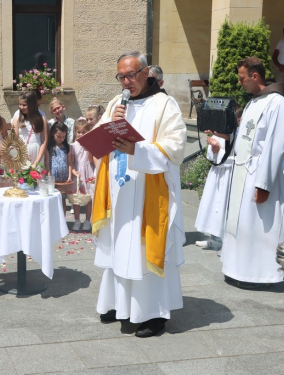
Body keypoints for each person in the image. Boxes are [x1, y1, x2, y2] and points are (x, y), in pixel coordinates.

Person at [93, 51, 186, 337]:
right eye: (121, 76)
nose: (126, 81)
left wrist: (138, 150)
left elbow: (176, 148)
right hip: (119, 192)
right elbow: (98, 140)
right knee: (120, 245)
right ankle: (118, 305)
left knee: (143, 249)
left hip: (148, 192)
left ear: (146, 73)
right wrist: (108, 124)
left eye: (131, 75)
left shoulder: (164, 104)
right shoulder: (116, 103)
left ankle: (153, 315)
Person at [221, 56, 284, 289]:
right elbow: (243, 139)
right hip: (242, 172)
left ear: (255, 76)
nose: (240, 83)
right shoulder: (253, 102)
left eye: (242, 78)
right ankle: (238, 268)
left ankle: (262, 274)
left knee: (260, 223)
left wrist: (264, 184)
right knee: (241, 223)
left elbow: (275, 145)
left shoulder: (277, 103)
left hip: (260, 172)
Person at [195, 105, 243, 253]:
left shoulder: (239, 134)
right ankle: (215, 238)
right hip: (217, 173)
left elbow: (237, 155)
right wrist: (214, 149)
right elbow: (211, 155)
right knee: (213, 204)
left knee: (224, 206)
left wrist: (220, 150)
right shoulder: (219, 132)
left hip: (230, 174)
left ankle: (226, 240)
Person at [13, 90, 49, 167]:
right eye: (20, 104)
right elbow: (14, 141)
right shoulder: (17, 119)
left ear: (31, 105)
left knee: (36, 176)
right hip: (21, 153)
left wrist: (37, 161)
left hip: (37, 152)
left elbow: (44, 141)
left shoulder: (41, 119)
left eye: (24, 105)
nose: (21, 107)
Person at [70, 118, 95, 231]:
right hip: (78, 173)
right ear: (75, 132)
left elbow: (90, 160)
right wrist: (74, 171)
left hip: (88, 171)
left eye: (83, 132)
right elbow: (71, 161)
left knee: (88, 197)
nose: (80, 134)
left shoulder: (90, 144)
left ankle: (87, 221)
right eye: (78, 132)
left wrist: (89, 145)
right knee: (77, 198)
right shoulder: (73, 145)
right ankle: (76, 220)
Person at [45, 122, 72, 211]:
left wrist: (69, 176)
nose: (61, 139)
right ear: (53, 133)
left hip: (64, 177)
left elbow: (69, 162)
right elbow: (47, 162)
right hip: (53, 176)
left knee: (62, 199)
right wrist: (49, 175)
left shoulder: (66, 147)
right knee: (53, 198)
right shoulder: (49, 147)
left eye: (63, 137)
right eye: (58, 136)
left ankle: (63, 221)